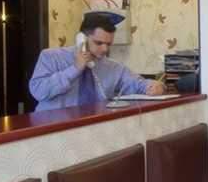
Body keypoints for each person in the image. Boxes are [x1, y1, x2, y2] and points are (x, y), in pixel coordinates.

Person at [29, 13, 165, 110]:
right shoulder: (51, 57)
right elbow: (39, 92)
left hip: (95, 131)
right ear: (81, 38)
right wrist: (74, 69)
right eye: (98, 43)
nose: (105, 49)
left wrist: (158, 86)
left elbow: (138, 84)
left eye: (109, 44)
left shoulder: (113, 67)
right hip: (53, 131)